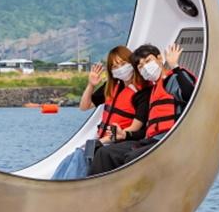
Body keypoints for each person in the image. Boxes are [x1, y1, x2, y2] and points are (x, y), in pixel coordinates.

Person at [87, 42, 196, 176]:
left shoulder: (172, 79)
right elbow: (145, 129)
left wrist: (175, 65)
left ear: (159, 58)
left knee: (132, 158)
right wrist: (124, 135)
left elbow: (191, 94)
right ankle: (96, 188)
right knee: (103, 153)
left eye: (148, 61)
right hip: (149, 140)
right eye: (140, 65)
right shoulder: (154, 90)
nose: (145, 67)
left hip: (168, 140)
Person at [51, 46, 148, 180]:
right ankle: (56, 185)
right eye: (114, 66)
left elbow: (135, 127)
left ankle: (70, 190)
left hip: (119, 140)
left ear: (131, 63)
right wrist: (91, 85)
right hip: (102, 138)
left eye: (123, 63)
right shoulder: (113, 86)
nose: (119, 68)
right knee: (73, 156)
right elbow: (84, 106)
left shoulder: (142, 92)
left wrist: (104, 140)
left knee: (82, 155)